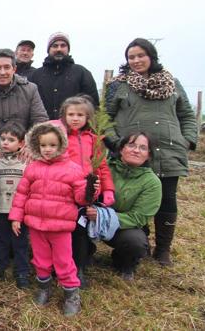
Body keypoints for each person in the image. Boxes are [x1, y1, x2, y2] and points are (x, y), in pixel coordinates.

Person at [106, 38, 198, 266]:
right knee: (133, 195)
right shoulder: (119, 86)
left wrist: (187, 140)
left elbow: (187, 115)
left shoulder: (172, 83)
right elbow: (104, 117)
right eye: (131, 57)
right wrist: (116, 142)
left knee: (167, 199)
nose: (136, 61)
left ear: (151, 56)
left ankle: (164, 249)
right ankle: (141, 241)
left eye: (140, 55)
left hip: (167, 151)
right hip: (131, 152)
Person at [9, 122, 89, 317]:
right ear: (37, 145)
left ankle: (71, 294)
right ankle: (44, 287)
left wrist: (90, 190)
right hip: (36, 225)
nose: (47, 149)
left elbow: (81, 198)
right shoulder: (32, 168)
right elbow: (21, 194)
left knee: (63, 261)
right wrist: (16, 217)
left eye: (52, 145)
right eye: (43, 145)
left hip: (60, 227)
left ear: (61, 144)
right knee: (40, 260)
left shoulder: (73, 169)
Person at [51, 96, 115, 287]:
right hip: (64, 193)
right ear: (64, 116)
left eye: (80, 115)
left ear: (88, 117)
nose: (75, 118)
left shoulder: (93, 140)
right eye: (71, 114)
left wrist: (108, 189)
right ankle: (59, 266)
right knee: (62, 232)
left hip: (86, 193)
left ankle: (78, 268)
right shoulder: (59, 138)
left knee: (81, 231)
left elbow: (101, 166)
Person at [94, 132, 161, 280]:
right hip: (92, 220)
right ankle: (83, 256)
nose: (136, 150)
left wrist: (103, 217)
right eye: (131, 145)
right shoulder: (103, 168)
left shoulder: (152, 183)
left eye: (143, 148)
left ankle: (125, 263)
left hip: (123, 227)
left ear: (148, 155)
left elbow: (138, 217)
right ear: (121, 149)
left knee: (135, 242)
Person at [0, 48, 48, 145]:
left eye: (7, 67)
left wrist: (28, 144)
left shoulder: (30, 89)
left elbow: (40, 120)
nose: (2, 72)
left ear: (14, 69)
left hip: (23, 148)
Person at [28, 32, 99, 119]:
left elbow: (93, 104)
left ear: (68, 49)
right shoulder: (35, 75)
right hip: (43, 128)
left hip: (73, 129)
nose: (59, 49)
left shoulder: (81, 72)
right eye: (55, 46)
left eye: (63, 45)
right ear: (49, 49)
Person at [0, 123, 30, 288]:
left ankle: (22, 272)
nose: (6, 142)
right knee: (2, 239)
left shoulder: (26, 162)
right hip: (0, 207)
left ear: (21, 143)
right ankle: (0, 268)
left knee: (20, 242)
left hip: (20, 211)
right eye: (3, 139)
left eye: (11, 140)